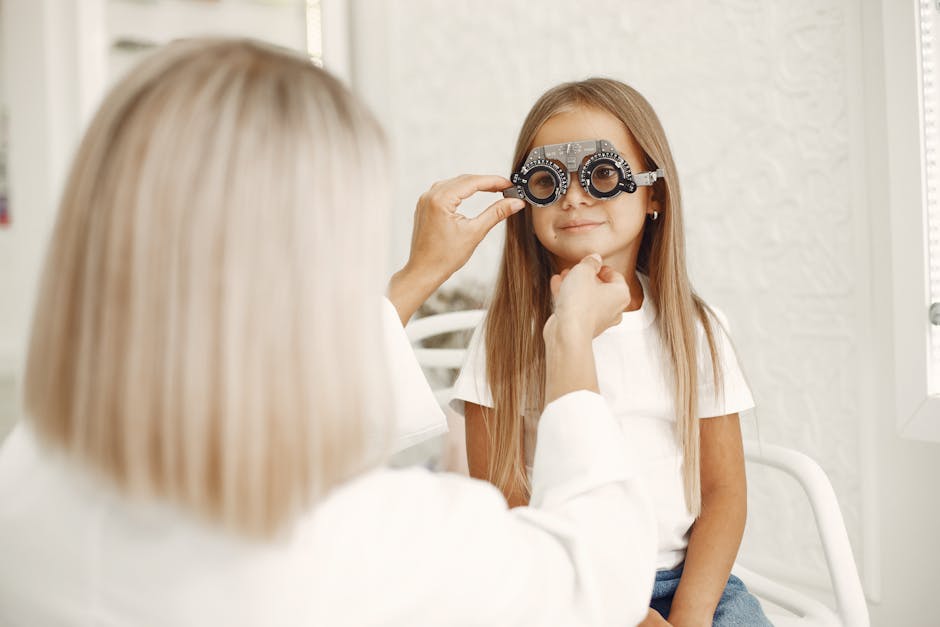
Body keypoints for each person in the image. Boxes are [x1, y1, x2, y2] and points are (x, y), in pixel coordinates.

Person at [0, 39, 659, 626]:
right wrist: (569, 340)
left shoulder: (25, 475)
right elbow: (590, 579)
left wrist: (416, 275)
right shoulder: (371, 545)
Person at [452, 78, 772, 626]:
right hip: (561, 581)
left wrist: (690, 614)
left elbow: (724, 492)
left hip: (685, 582)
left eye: (602, 174)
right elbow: (502, 494)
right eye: (548, 179)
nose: (575, 197)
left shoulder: (695, 328)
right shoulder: (505, 334)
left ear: (654, 194)